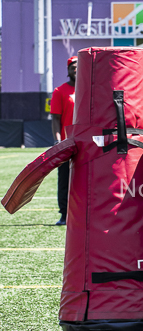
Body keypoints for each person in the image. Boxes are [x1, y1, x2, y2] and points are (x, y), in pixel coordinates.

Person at [50, 55, 77, 226]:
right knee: (64, 180)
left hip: (87, 144)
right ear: (68, 70)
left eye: (78, 67)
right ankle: (64, 214)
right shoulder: (60, 91)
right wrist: (58, 141)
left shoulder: (89, 89)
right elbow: (55, 119)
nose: (75, 69)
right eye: (72, 67)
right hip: (67, 144)